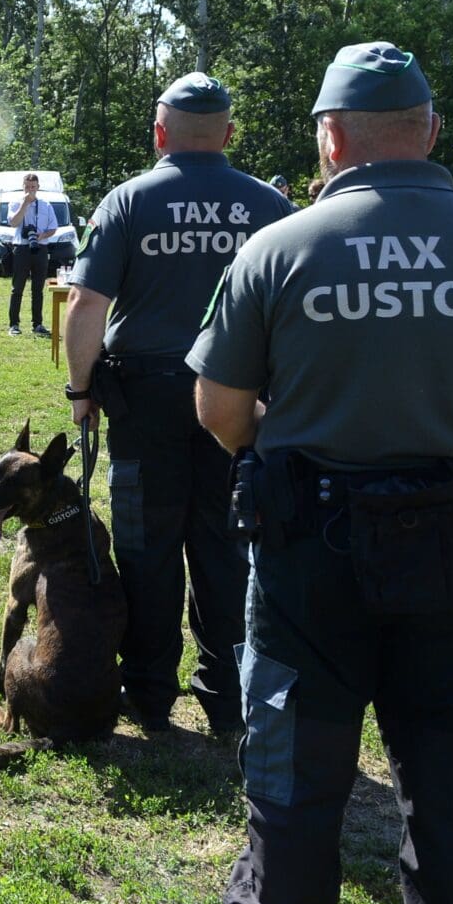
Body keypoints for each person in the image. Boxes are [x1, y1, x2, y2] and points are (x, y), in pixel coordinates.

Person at [189, 43, 453, 904]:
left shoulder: (283, 247)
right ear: (432, 129)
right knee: (451, 778)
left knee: (297, 776)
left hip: (312, 555)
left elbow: (221, 410)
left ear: (329, 135)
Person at [62, 72, 293, 736]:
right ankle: (228, 697)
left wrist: (81, 392)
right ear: (228, 133)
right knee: (228, 548)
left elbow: (86, 304)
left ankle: (151, 694)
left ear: (160, 132)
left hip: (146, 398)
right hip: (240, 396)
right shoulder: (267, 206)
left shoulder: (128, 200)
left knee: (145, 547)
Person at [5, 173, 58, 336]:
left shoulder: (46, 205)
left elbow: (53, 228)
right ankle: (14, 325)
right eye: (27, 187)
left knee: (38, 289)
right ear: (23, 187)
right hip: (21, 248)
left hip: (40, 248)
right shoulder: (15, 203)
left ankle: (38, 324)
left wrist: (41, 236)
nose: (30, 190)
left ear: (38, 187)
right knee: (17, 288)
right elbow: (13, 222)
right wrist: (25, 204)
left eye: (33, 187)